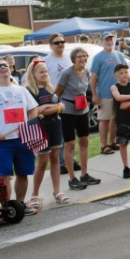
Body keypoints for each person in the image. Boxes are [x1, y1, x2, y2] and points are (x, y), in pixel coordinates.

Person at [0, 57, 40, 216]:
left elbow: (33, 110)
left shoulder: (21, 90)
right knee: (4, 177)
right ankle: (7, 208)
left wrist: (31, 125)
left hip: (23, 139)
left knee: (23, 173)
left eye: (5, 65)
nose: (3, 67)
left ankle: (20, 205)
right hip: (2, 143)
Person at [25, 61, 67, 209]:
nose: (44, 74)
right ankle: (35, 194)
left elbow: (61, 106)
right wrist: (52, 108)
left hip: (55, 126)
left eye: (46, 72)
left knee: (55, 158)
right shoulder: (30, 91)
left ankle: (57, 191)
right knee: (42, 161)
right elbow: (36, 111)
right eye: (41, 72)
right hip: (40, 128)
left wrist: (48, 107)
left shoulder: (50, 89)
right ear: (33, 74)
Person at [56, 48, 97, 190]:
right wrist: (57, 107)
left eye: (85, 56)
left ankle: (84, 174)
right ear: (73, 58)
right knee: (70, 144)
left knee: (84, 140)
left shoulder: (86, 72)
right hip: (68, 110)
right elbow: (57, 92)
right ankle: (72, 178)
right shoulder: (67, 73)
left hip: (83, 109)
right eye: (79, 56)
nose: (82, 59)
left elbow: (84, 90)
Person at [89, 32, 127, 155]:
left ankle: (112, 142)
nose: (109, 42)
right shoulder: (98, 57)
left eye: (111, 39)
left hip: (119, 93)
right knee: (104, 119)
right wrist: (94, 94)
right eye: (106, 40)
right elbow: (93, 76)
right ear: (101, 42)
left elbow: (126, 73)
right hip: (104, 93)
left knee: (115, 119)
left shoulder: (119, 55)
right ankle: (104, 145)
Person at [44, 33, 73, 173]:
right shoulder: (46, 61)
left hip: (70, 99)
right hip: (55, 100)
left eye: (62, 41)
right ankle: (62, 163)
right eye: (57, 42)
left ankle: (71, 160)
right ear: (51, 45)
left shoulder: (69, 59)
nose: (60, 44)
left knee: (70, 132)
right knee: (60, 131)